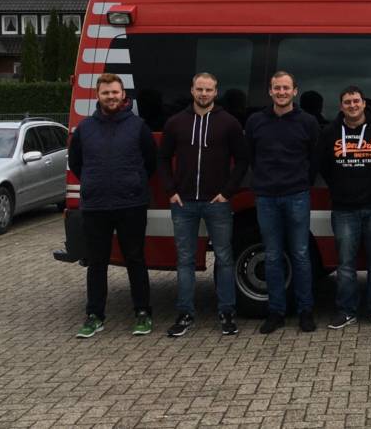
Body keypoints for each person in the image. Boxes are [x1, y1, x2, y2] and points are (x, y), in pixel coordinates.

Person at [158, 73, 250, 338]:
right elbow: (162, 158)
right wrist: (170, 190)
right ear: (192, 90)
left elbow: (242, 159)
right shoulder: (176, 122)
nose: (204, 94)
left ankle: (227, 313)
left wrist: (227, 192)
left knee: (224, 259)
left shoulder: (229, 123)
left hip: (217, 203)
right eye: (199, 89)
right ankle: (185, 313)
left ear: (216, 92)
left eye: (208, 89)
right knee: (185, 260)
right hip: (183, 203)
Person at [68, 73, 157, 338]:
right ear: (98, 96)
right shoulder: (85, 129)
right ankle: (94, 315)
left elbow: (150, 162)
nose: (111, 97)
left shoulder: (138, 126)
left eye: (115, 92)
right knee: (97, 263)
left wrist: (133, 182)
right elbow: (76, 164)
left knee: (136, 260)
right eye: (106, 93)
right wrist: (95, 183)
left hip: (131, 203)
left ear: (123, 95)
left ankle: (142, 313)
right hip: (95, 205)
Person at [314, 86, 371, 330]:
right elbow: (322, 164)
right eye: (347, 102)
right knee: (345, 264)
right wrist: (340, 187)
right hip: (343, 209)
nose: (352, 105)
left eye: (356, 101)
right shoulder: (331, 132)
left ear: (364, 104)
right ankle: (346, 310)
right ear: (341, 106)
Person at [245, 71, 321, 334]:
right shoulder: (256, 121)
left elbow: (314, 158)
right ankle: (276, 312)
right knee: (274, 255)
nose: (281, 92)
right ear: (270, 91)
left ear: (295, 91)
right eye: (276, 88)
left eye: (286, 88)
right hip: (266, 197)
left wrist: (301, 182)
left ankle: (305, 311)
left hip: (297, 195)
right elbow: (252, 157)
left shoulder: (307, 122)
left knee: (300, 255)